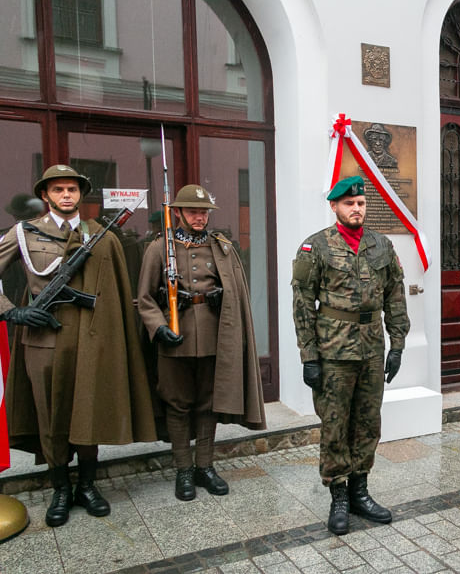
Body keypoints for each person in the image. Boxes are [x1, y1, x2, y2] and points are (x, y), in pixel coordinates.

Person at [0, 164, 156, 527]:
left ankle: (87, 485)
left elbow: (117, 290)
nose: (66, 196)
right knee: (52, 416)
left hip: (92, 338)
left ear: (80, 195)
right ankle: (60, 489)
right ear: (45, 195)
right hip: (45, 339)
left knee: (90, 409)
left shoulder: (100, 235)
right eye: (58, 190)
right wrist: (14, 312)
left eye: (72, 190)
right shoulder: (24, 233)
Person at [292, 176, 410, 535]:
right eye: (348, 203)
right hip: (333, 352)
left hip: (372, 349)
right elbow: (302, 304)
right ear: (334, 206)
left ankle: (361, 491)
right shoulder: (315, 248)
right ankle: (339, 497)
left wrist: (398, 344)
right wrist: (309, 356)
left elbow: (395, 295)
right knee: (334, 425)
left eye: (360, 203)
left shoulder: (382, 245)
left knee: (367, 423)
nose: (356, 208)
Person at [138, 184, 266, 501]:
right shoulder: (158, 248)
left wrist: (224, 298)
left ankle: (204, 467)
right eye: (193, 211)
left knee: (208, 404)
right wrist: (159, 326)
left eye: (204, 211)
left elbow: (236, 291)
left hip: (213, 335)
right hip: (175, 337)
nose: (200, 217)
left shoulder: (222, 247)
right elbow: (143, 299)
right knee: (178, 404)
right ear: (178, 213)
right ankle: (183, 469)